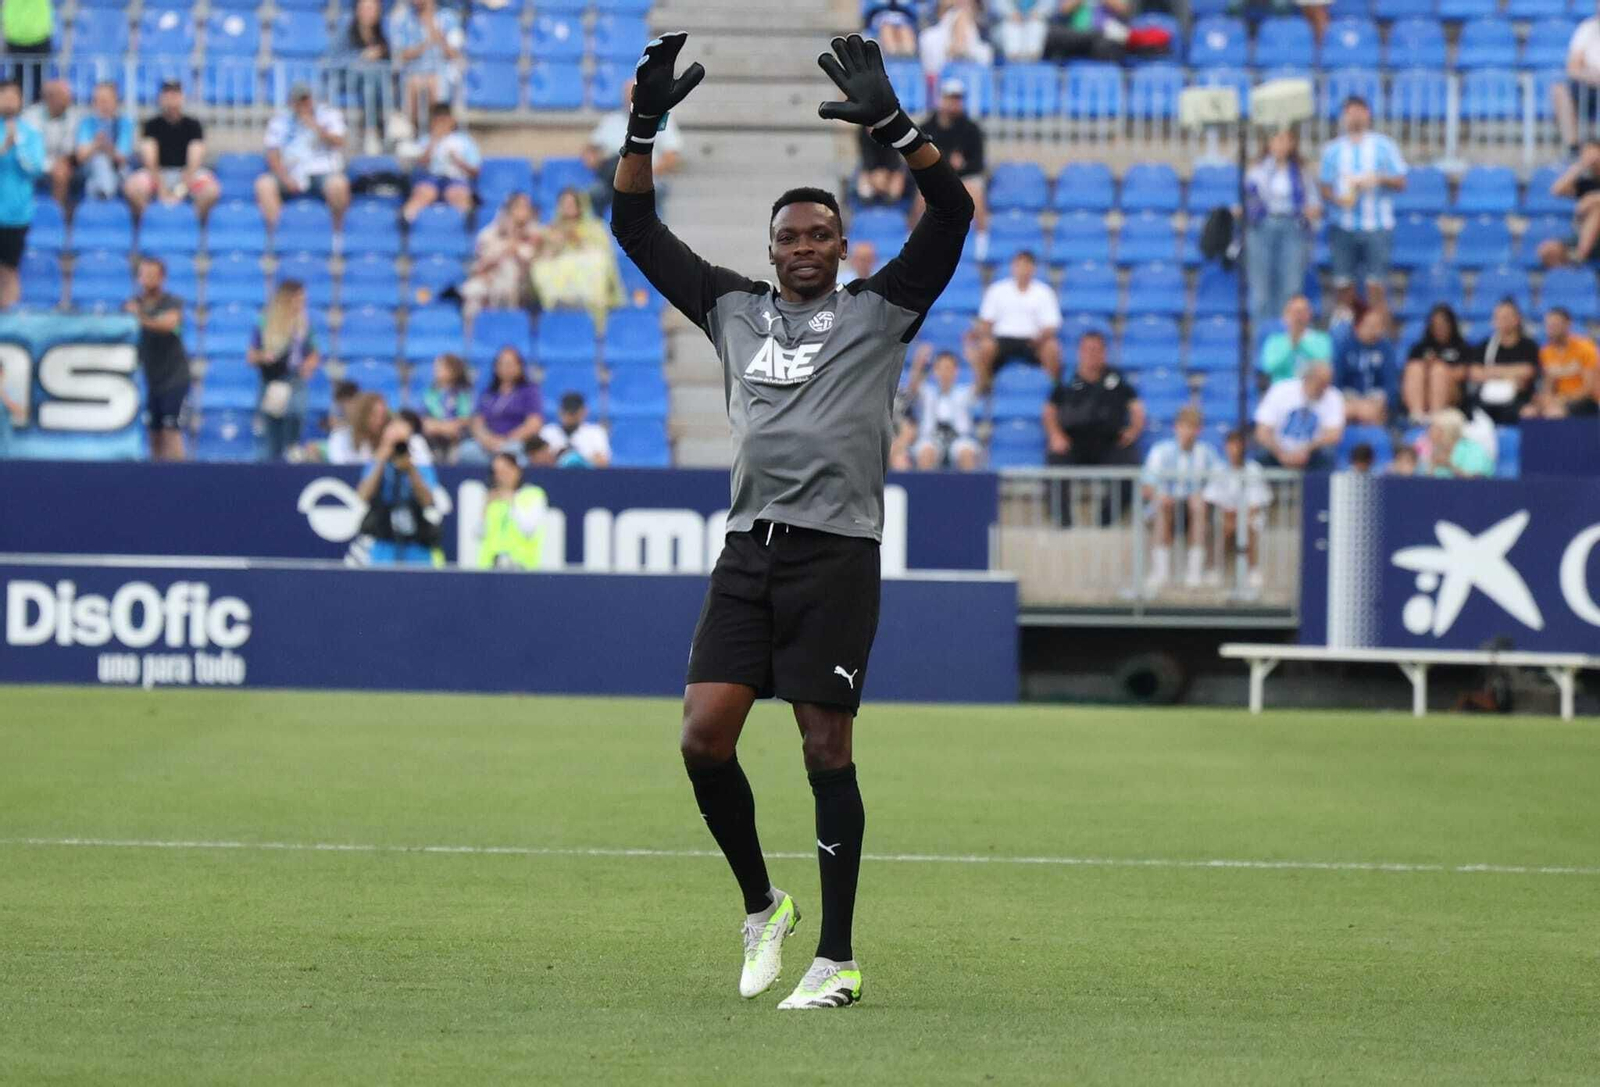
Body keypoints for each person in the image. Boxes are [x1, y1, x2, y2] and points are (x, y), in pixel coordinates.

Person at [610, 33, 972, 1011]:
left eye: (820, 234)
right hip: (748, 552)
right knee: (702, 738)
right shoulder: (732, 309)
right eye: (789, 237)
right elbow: (635, 226)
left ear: (840, 245)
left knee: (825, 748)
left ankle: (838, 957)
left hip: (836, 555)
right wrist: (643, 123)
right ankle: (763, 904)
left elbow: (952, 213)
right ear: (770, 251)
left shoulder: (880, 309)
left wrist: (896, 126)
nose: (805, 246)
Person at [1319, 96, 1407, 314]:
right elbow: (1324, 186)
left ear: (1367, 114)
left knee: (1376, 286)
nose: (1355, 116)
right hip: (1343, 226)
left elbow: (1401, 181)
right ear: (1344, 116)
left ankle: (1379, 338)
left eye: (1360, 111)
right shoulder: (1333, 150)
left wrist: (1378, 179)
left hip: (1376, 227)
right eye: (1350, 112)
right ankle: (1345, 338)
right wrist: (1338, 199)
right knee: (1343, 286)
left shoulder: (1384, 146)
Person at [1245, 127, 1320, 329]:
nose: (1280, 145)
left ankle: (1286, 338)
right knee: (1261, 290)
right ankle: (1262, 341)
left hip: (1292, 228)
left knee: (1290, 287)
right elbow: (1250, 198)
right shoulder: (1257, 170)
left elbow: (1314, 203)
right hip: (1262, 228)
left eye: (1285, 140)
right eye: (1276, 139)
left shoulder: (1302, 172)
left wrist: (1310, 211)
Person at [1141, 405, 1222, 591]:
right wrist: (1160, 496)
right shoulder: (1160, 451)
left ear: (1199, 430)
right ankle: (1160, 572)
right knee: (1163, 507)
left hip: (1194, 508)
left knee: (1198, 505)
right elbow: (1147, 485)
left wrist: (1203, 495)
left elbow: (1220, 481)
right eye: (1185, 426)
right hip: (1166, 505)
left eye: (1193, 427)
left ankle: (1194, 573)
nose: (1189, 432)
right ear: (1176, 427)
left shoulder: (1207, 453)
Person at [1042, 329, 1144, 467]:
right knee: (1057, 457)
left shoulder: (1116, 379)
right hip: (1073, 442)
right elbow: (1050, 410)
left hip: (1109, 443)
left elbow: (1136, 407)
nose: (1092, 354)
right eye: (1088, 350)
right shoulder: (1067, 380)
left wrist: (1133, 431)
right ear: (1080, 352)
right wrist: (1055, 435)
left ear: (1104, 352)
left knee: (1127, 458)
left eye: (1096, 349)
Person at [255, 84, 350, 231]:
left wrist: (315, 127)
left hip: (321, 171)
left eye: (306, 99)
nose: (303, 104)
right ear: (291, 102)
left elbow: (339, 142)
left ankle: (337, 236)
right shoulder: (280, 121)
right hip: (291, 171)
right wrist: (285, 178)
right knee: (264, 184)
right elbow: (272, 154)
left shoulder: (328, 115)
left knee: (338, 184)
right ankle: (278, 235)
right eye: (298, 100)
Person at [124, 256, 189, 461]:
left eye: (153, 274)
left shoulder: (172, 303)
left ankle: (180, 476)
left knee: (172, 428)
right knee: (154, 432)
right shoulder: (132, 304)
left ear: (162, 277)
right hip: (151, 378)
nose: (148, 279)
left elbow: (168, 325)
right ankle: (157, 478)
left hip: (175, 376)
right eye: (144, 274)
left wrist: (139, 318)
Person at [969, 249, 1062, 390]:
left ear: (1033, 268)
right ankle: (986, 390)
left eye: (1027, 265)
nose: (1023, 270)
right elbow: (986, 322)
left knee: (1052, 348)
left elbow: (1051, 326)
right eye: (1019, 265)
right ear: (1013, 267)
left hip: (1033, 342)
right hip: (1002, 340)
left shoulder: (1044, 292)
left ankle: (1054, 391)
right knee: (985, 347)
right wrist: (986, 336)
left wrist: (1040, 339)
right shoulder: (997, 290)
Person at [356, 413, 440, 567]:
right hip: (384, 545)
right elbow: (363, 495)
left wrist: (410, 469)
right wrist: (382, 457)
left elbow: (427, 501)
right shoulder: (377, 462)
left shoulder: (421, 465)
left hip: (417, 546)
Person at [248, 280, 319, 461]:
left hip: (295, 380)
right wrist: (265, 357)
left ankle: (292, 452)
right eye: (298, 298)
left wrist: (308, 365)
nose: (302, 303)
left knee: (296, 415)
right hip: (272, 382)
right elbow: (251, 356)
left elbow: (314, 352)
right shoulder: (265, 322)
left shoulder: (304, 325)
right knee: (272, 433)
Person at [127, 82, 219, 222]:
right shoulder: (151, 125)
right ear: (161, 98)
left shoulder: (193, 125)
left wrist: (180, 191)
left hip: (186, 174)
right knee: (132, 187)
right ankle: (153, 222)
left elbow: (194, 161)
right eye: (167, 94)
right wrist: (162, 190)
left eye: (175, 94)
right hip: (158, 173)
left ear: (182, 97)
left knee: (212, 190)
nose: (171, 98)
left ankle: (189, 222)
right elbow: (150, 161)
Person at [531, 187, 622, 327]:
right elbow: (543, 253)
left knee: (596, 261)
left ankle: (588, 306)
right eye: (564, 204)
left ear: (580, 206)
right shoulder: (550, 229)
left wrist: (579, 241)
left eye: (571, 204)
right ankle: (559, 304)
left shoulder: (596, 227)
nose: (568, 208)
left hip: (586, 267)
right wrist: (557, 244)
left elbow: (604, 252)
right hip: (560, 268)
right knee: (542, 266)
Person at [584, 80, 683, 201]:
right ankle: (597, 221)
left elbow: (671, 156)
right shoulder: (611, 120)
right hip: (613, 179)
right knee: (594, 193)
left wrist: (645, 175)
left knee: (652, 192)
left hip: (647, 179)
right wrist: (596, 161)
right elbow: (590, 150)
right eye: (627, 94)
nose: (631, 98)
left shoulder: (660, 119)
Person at [916, 79, 987, 246]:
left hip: (965, 177)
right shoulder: (927, 127)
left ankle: (981, 240)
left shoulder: (971, 129)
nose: (954, 103)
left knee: (975, 191)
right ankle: (914, 236)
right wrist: (947, 163)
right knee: (921, 195)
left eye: (957, 99)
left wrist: (962, 166)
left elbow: (978, 163)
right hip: (936, 177)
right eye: (950, 98)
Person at [1202, 427, 1271, 592]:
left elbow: (1256, 503)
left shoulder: (1254, 469)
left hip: (1248, 515)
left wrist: (1240, 517)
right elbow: (1213, 500)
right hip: (1225, 515)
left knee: (1248, 525)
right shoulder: (1218, 469)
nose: (1234, 449)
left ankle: (1253, 570)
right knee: (1222, 526)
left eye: (1237, 444)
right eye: (1230, 444)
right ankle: (1215, 568)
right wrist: (1230, 516)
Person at [460, 192, 541, 332]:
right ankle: (473, 339)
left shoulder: (536, 233)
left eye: (526, 208)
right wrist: (505, 248)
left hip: (526, 284)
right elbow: (479, 266)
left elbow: (536, 263)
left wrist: (516, 248)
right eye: (518, 207)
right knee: (473, 290)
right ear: (509, 210)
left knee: (509, 274)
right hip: (491, 278)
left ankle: (511, 331)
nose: (522, 212)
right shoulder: (489, 233)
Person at [1254, 356, 1344, 471]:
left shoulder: (1333, 396)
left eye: (1327, 384)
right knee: (1261, 453)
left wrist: (1307, 449)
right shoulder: (1280, 390)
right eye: (1321, 384)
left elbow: (1334, 435)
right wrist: (1281, 453)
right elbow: (1262, 431)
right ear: (1308, 378)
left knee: (1327, 454)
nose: (1324, 389)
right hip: (1278, 450)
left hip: (1311, 453)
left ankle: (1319, 488)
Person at [388, 0, 463, 132]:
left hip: (441, 74)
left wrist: (438, 35)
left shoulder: (449, 18)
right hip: (412, 73)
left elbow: (455, 54)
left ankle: (436, 130)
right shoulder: (403, 19)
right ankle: (413, 131)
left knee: (433, 81)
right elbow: (400, 55)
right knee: (414, 82)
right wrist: (424, 46)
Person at [0, 78, 43, 309]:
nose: (8, 100)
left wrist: (16, 147)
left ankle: (8, 322)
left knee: (9, 269)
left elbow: (36, 168)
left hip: (16, 214)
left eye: (13, 96)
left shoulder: (30, 133)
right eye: (4, 95)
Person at [471, 452, 550, 569]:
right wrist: (485, 508)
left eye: (505, 471)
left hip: (522, 567)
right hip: (490, 567)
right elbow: (478, 534)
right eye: (497, 473)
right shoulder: (491, 497)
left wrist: (512, 502)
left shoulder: (533, 494)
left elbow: (529, 529)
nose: (501, 477)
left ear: (517, 470)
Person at [1466, 298, 1539, 426]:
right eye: (1498, 317)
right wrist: (1511, 375)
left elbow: (1528, 370)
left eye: (1506, 317)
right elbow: (1474, 372)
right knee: (1469, 414)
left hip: (1518, 400)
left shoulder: (1528, 345)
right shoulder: (1486, 345)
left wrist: (1491, 371)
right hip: (1487, 400)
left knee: (1530, 414)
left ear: (1517, 319)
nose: (1501, 321)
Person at [401, 102, 479, 223]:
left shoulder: (465, 141)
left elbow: (475, 171)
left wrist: (458, 161)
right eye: (438, 120)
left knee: (457, 193)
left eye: (444, 120)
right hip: (430, 178)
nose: (442, 124)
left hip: (455, 178)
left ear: (452, 121)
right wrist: (433, 141)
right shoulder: (425, 140)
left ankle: (467, 226)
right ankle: (406, 222)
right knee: (424, 192)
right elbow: (421, 164)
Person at [465, 346, 544, 462]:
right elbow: (477, 422)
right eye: (501, 364)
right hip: (488, 444)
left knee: (515, 452)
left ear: (520, 367)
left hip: (515, 442)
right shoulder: (488, 392)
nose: (505, 368)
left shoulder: (529, 391)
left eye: (510, 364)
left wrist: (507, 439)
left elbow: (534, 423)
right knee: (465, 451)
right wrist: (487, 439)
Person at [906, 348, 980, 470]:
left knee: (966, 453)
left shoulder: (963, 393)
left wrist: (975, 363)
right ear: (935, 371)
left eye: (949, 368)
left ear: (956, 371)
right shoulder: (927, 393)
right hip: (931, 438)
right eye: (942, 368)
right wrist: (918, 363)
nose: (945, 372)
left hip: (959, 439)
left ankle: (968, 488)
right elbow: (913, 387)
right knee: (926, 453)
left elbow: (980, 386)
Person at [1526, 306, 1600, 418]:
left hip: (1587, 401)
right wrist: (1546, 399)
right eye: (1548, 325)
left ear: (1567, 324)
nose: (1551, 329)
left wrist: (1562, 399)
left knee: (1554, 413)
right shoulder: (1546, 352)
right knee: (1529, 412)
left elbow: (1589, 388)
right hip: (1560, 400)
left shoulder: (1586, 348)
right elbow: (1548, 385)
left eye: (1555, 325)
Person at [1537, 139, 1600, 268]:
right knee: (1547, 251)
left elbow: (1589, 204)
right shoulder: (1585, 182)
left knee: (1597, 208)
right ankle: (1568, 280)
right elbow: (1557, 190)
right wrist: (1581, 165)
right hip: (1583, 235)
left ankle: (1580, 256)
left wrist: (1593, 199)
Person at [338, 0, 390, 153]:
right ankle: (371, 130)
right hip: (347, 79)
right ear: (357, 10)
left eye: (373, 9)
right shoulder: (346, 33)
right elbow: (333, 60)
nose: (369, 12)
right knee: (370, 76)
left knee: (380, 74)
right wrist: (361, 57)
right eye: (365, 8)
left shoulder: (381, 35)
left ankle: (392, 119)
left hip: (379, 84)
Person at [1402, 303, 1470, 420]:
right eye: (1436, 325)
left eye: (1443, 324)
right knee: (1415, 368)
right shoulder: (1419, 348)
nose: (1439, 328)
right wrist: (1427, 369)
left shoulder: (1461, 348)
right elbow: (1408, 375)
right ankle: (1417, 416)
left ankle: (1436, 417)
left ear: (1451, 325)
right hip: (1422, 391)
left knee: (1438, 371)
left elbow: (1464, 372)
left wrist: (1438, 368)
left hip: (1451, 394)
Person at [1332, 306, 1398, 425]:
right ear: (1357, 327)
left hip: (1375, 400)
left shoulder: (1386, 348)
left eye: (1378, 326)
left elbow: (1391, 382)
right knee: (1342, 412)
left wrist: (1382, 401)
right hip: (1350, 398)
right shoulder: (1345, 347)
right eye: (1370, 326)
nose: (1375, 330)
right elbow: (1336, 381)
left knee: (1372, 414)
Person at [73, 81, 134, 202]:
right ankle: (106, 195)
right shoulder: (86, 123)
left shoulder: (125, 123)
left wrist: (106, 146)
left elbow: (122, 158)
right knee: (99, 161)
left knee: (92, 184)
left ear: (116, 102)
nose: (102, 105)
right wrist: (96, 144)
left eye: (106, 100)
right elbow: (80, 157)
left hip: (117, 171)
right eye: (98, 101)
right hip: (88, 169)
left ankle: (101, 198)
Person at [22, 79, 77, 208]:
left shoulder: (73, 116)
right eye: (64, 97)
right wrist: (48, 164)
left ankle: (56, 214)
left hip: (58, 163)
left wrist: (59, 163)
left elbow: (69, 149)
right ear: (50, 99)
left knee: (61, 172)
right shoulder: (30, 117)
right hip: (31, 161)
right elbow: (29, 150)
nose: (68, 101)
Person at [1258, 294, 1331, 385]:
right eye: (1295, 312)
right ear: (1286, 315)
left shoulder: (1322, 339)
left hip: (1312, 393)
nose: (1299, 317)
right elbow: (1269, 367)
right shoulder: (1274, 341)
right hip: (1283, 392)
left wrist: (1301, 342)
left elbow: (1324, 365)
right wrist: (1291, 344)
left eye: (1303, 312)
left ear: (1310, 314)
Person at [1556, 5, 1600, 154]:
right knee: (1559, 90)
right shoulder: (1587, 28)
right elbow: (1573, 68)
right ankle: (1573, 148)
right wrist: (1591, 75)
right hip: (1588, 85)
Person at [419, 352, 475, 461]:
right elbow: (422, 417)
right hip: (433, 435)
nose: (436, 370)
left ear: (454, 370)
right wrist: (441, 428)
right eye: (436, 367)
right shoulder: (430, 393)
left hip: (456, 437)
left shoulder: (463, 393)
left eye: (441, 367)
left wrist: (448, 428)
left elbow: (465, 418)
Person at [539, 391, 611, 468]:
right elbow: (537, 460)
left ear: (584, 411)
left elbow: (603, 462)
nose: (571, 416)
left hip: (586, 476)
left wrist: (579, 457)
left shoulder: (595, 432)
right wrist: (559, 455)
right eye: (567, 412)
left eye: (574, 412)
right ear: (560, 411)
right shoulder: (547, 431)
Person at [919, 0, 994, 73]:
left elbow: (985, 62)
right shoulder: (928, 37)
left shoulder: (982, 43)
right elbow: (931, 70)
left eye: (970, 3)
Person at [1418, 407, 1494, 479]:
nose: (1430, 431)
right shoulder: (1426, 446)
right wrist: (1431, 466)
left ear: (1448, 430)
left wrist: (1449, 466)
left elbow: (1477, 479)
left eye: (1435, 428)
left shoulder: (1473, 450)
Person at [3, 0, 52, 99]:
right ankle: (17, 105)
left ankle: (37, 105)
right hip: (16, 35)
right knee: (17, 79)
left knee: (39, 78)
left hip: (38, 34)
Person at [325, 390, 389, 464]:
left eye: (382, 416)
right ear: (362, 415)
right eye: (374, 416)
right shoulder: (341, 436)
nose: (379, 421)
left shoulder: (387, 437)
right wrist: (380, 456)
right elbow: (341, 470)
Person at [854, 126, 908, 207]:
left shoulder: (892, 132)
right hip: (871, 169)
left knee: (895, 188)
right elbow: (866, 158)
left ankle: (890, 200)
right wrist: (874, 177)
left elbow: (893, 159)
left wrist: (885, 177)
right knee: (864, 189)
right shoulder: (862, 133)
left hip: (891, 169)